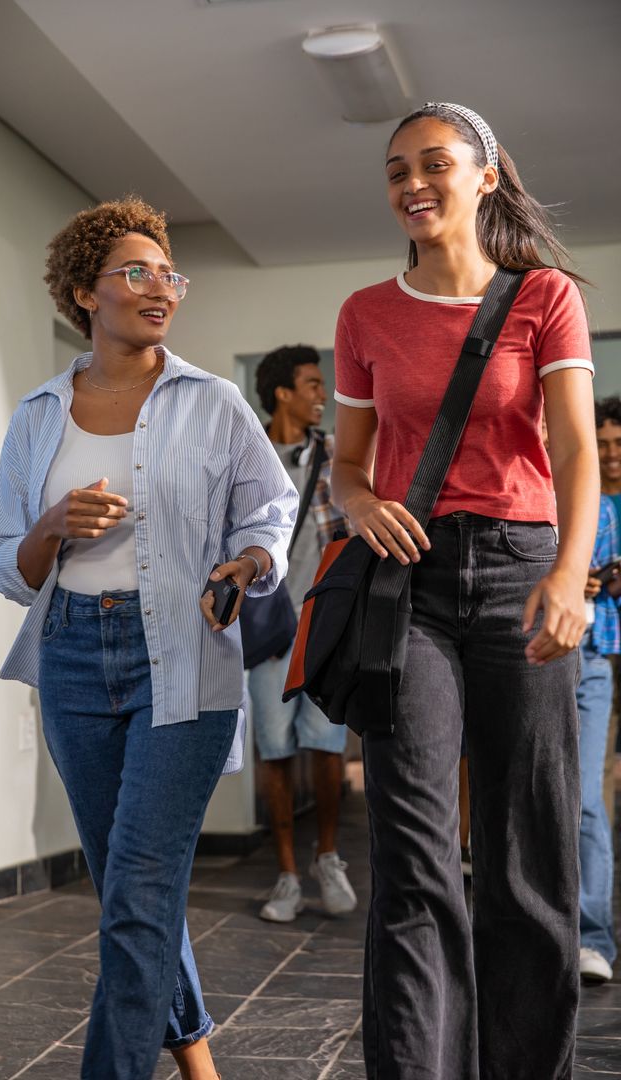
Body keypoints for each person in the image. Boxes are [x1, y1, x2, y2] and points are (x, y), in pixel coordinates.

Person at [0, 197, 297, 1080]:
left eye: (168, 273)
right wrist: (53, 523)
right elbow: (6, 560)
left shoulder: (214, 401)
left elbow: (272, 507)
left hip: (184, 655)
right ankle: (198, 1060)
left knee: (139, 892)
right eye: (135, 271)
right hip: (75, 655)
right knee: (130, 888)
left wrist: (249, 560)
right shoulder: (40, 414)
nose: (160, 287)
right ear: (85, 290)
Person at [331, 103, 597, 1079]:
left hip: (523, 576)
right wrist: (358, 505)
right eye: (396, 168)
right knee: (412, 853)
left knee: (528, 850)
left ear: (485, 175)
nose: (412, 182)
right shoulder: (366, 313)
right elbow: (349, 466)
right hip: (410, 586)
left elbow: (573, 449)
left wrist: (570, 576)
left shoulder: (545, 298)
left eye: (435, 163)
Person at [248, 345, 357, 922]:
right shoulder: (247, 456)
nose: (323, 394)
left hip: (322, 629)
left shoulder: (338, 454)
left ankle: (329, 856)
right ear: (283, 392)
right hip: (266, 630)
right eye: (313, 384)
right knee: (275, 747)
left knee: (326, 745)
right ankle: (287, 873)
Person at [578, 493, 621, 984]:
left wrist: (600, 581)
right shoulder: (514, 488)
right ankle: (529, 935)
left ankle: (593, 938)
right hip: (519, 655)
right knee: (525, 797)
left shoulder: (602, 506)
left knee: (588, 800)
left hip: (588, 659)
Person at [596, 395, 621, 825]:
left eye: (619, 442)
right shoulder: (585, 499)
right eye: (602, 443)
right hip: (603, 640)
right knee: (601, 760)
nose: (612, 453)